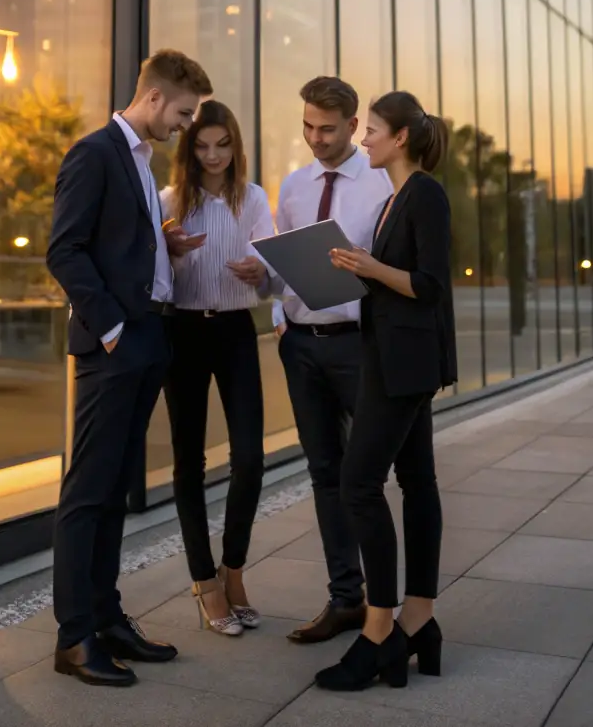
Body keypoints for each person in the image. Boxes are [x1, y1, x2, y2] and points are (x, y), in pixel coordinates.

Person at [46, 49, 213, 689]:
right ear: (152, 99)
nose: (185, 125)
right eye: (183, 112)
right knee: (87, 494)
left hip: (149, 337)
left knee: (115, 491)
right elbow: (65, 251)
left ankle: (107, 618)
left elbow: (115, 244)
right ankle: (73, 638)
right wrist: (112, 329)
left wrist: (159, 247)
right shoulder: (94, 153)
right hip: (115, 343)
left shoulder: (140, 163)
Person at [315, 91, 457, 693]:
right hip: (391, 357)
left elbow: (430, 284)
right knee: (417, 481)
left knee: (358, 484)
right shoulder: (395, 199)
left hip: (403, 364)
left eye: (372, 130)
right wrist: (354, 268)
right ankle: (419, 619)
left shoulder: (424, 192)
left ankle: (380, 630)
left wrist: (369, 269)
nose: (364, 138)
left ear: (400, 138)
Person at [244, 76, 391, 644]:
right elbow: (284, 270)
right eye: (307, 126)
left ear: (354, 126)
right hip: (302, 347)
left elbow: (391, 272)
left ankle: (382, 607)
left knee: (366, 479)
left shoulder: (381, 186)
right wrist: (267, 285)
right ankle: (344, 600)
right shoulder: (295, 187)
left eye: (327, 129)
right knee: (324, 474)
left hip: (358, 347)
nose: (315, 138)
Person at [160, 101, 275, 636]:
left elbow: (272, 268)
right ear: (189, 149)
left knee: (250, 456)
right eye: (202, 145)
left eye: (221, 144)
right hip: (183, 331)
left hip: (234, 331)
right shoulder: (169, 202)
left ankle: (233, 570)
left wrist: (261, 272)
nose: (212, 155)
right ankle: (204, 583)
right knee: (189, 464)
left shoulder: (251, 199)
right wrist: (176, 252)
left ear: (235, 146)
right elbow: (162, 280)